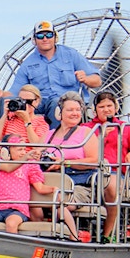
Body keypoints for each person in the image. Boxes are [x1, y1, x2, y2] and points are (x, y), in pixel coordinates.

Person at [0, 20, 102, 125]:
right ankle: (9, 142)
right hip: (37, 104)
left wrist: (85, 79)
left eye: (49, 35)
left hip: (66, 103)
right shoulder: (28, 64)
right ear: (34, 40)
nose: (45, 39)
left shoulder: (71, 55)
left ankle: (55, 143)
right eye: (40, 35)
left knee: (57, 104)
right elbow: (15, 91)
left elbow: (97, 81)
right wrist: (0, 93)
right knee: (6, 102)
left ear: (55, 37)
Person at [82, 91, 130, 243]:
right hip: (88, 169)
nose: (106, 110)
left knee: (111, 187)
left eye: (109, 106)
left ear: (116, 108)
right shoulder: (86, 128)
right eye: (102, 107)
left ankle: (108, 233)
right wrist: (102, 136)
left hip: (114, 171)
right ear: (95, 110)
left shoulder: (126, 128)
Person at [0, 134, 56, 234]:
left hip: (18, 210)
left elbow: (40, 188)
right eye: (19, 150)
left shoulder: (29, 164)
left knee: (11, 223)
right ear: (5, 151)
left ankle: (11, 248)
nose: (23, 153)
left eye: (24, 149)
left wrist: (53, 189)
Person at [42, 92, 100, 238]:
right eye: (70, 110)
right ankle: (38, 236)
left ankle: (74, 238)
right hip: (49, 184)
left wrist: (65, 163)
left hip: (77, 185)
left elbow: (94, 161)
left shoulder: (86, 133)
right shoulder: (48, 135)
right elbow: (36, 156)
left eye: (77, 110)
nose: (75, 113)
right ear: (59, 113)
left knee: (60, 203)